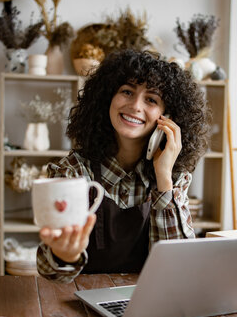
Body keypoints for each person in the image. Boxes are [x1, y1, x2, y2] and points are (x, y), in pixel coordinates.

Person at [36, 49, 213, 283]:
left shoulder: (173, 176)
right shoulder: (73, 171)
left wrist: (163, 177)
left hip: (146, 301)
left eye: (151, 99)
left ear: (167, 117)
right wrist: (63, 256)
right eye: (127, 92)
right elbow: (50, 273)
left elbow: (179, 268)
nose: (136, 106)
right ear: (107, 98)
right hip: (79, 303)